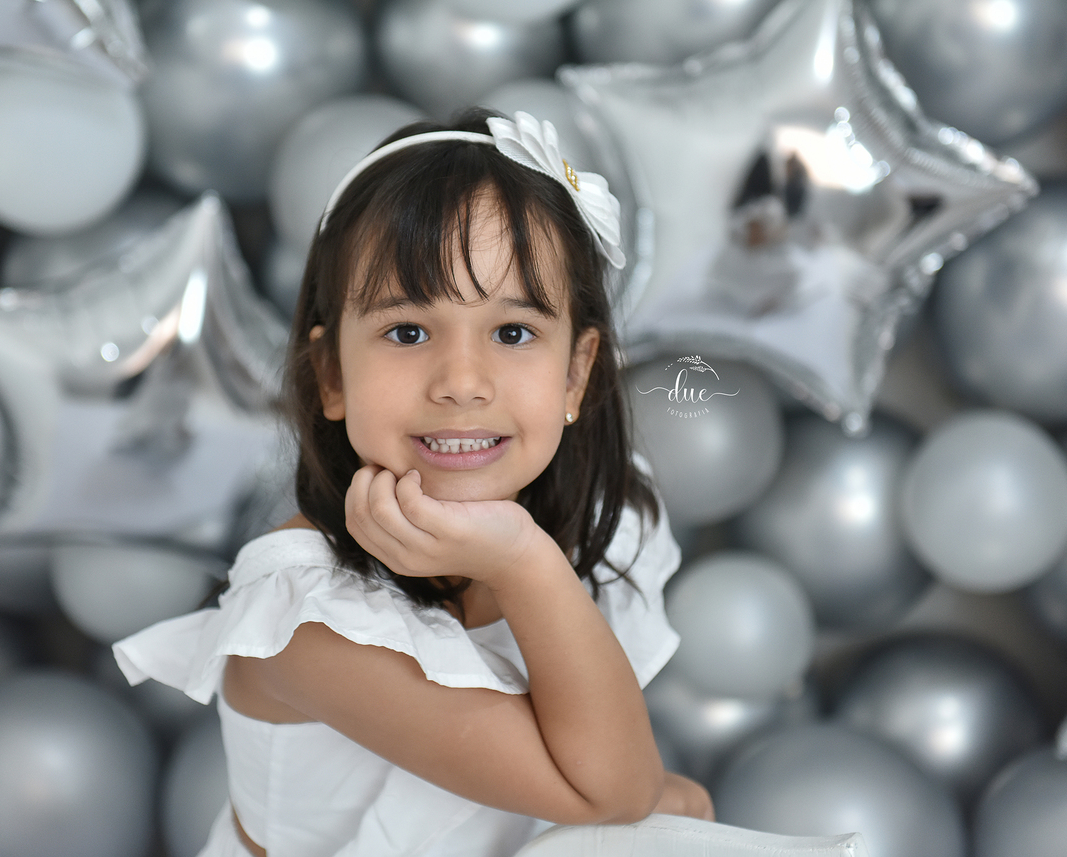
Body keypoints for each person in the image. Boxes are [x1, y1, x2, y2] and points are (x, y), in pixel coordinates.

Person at [114, 109, 713, 857]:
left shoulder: (599, 513)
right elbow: (614, 792)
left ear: (576, 373)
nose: (462, 382)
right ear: (333, 375)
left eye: (513, 332)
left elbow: (603, 782)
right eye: (407, 332)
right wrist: (522, 562)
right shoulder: (304, 622)